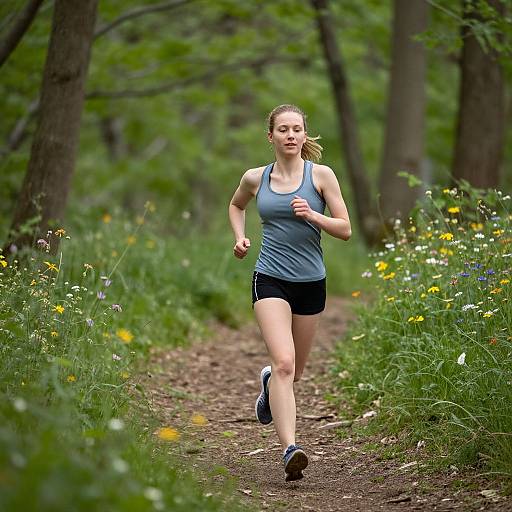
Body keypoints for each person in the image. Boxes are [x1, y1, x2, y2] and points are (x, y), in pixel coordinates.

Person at [228, 104, 351, 482]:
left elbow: (345, 228)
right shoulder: (255, 177)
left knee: (293, 373)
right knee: (284, 362)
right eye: (283, 129)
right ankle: (289, 450)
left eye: (297, 129)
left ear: (304, 135)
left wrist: (313, 215)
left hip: (311, 282)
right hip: (270, 278)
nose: (291, 135)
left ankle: (269, 384)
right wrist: (240, 237)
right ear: (271, 136)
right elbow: (236, 205)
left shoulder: (321, 176)